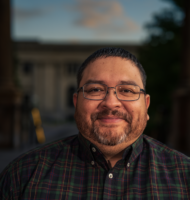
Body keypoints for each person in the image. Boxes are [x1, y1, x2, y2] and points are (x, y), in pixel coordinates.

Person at [1, 47, 190, 199]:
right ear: (76, 103)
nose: (110, 103)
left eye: (127, 90)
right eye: (95, 90)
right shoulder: (22, 175)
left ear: (146, 105)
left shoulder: (185, 175)